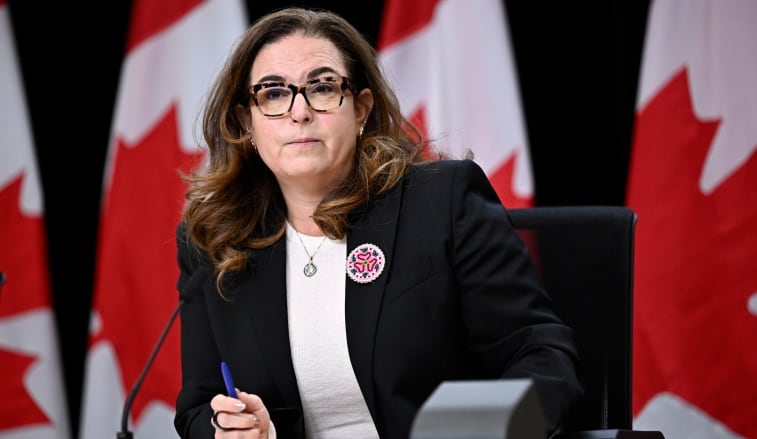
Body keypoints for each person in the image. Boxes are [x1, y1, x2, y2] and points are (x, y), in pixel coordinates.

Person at [173, 6, 583, 439]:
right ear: (246, 122)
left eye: (323, 87)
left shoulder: (439, 203)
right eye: (274, 94)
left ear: (361, 110)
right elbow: (198, 405)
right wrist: (228, 428)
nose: (300, 112)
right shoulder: (217, 240)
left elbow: (542, 355)